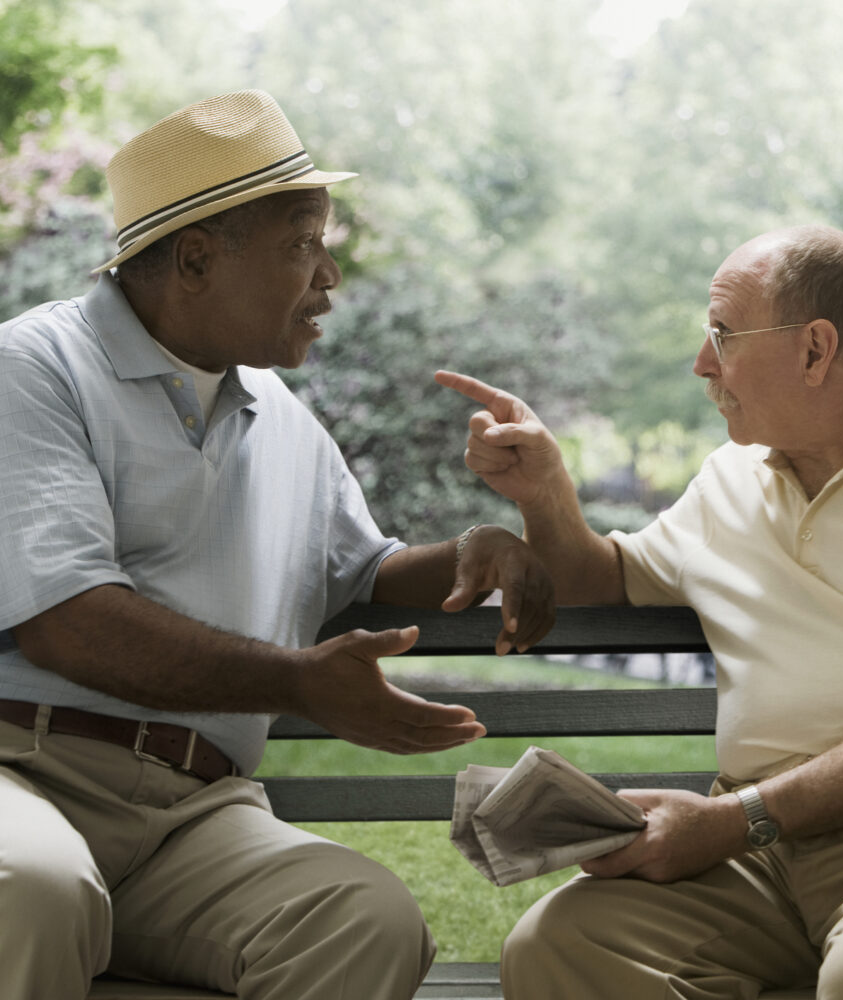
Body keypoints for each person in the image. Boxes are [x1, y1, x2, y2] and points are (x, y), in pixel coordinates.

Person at [0, 89, 555, 1000]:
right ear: (194, 259)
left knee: (362, 920)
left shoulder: (282, 416)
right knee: (33, 888)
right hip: (24, 773)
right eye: (304, 243)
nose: (330, 275)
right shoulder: (34, 369)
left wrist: (471, 551)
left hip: (193, 820)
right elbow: (69, 624)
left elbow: (360, 567)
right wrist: (297, 681)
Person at [436, 224, 843, 999]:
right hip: (761, 853)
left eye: (723, 336)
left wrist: (737, 820)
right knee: (558, 947)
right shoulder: (732, 476)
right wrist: (544, 494)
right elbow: (606, 577)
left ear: (815, 350)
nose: (703, 363)